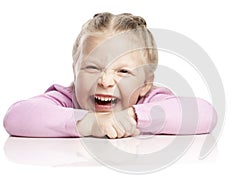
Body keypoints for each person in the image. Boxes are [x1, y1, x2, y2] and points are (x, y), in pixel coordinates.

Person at [3, 12, 217, 139]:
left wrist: (133, 116)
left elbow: (205, 114)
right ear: (75, 72)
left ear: (145, 84)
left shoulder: (150, 99)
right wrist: (88, 123)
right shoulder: (67, 99)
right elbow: (15, 117)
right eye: (92, 68)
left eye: (123, 71)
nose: (104, 82)